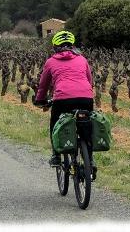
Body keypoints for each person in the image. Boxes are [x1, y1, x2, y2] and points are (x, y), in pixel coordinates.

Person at [34, 30, 94, 166]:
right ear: (72, 46)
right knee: (87, 125)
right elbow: (90, 81)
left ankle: (56, 155)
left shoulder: (50, 62)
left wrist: (40, 100)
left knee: (55, 123)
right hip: (86, 97)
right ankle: (90, 160)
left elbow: (43, 85)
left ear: (55, 47)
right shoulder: (82, 59)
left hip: (62, 99)